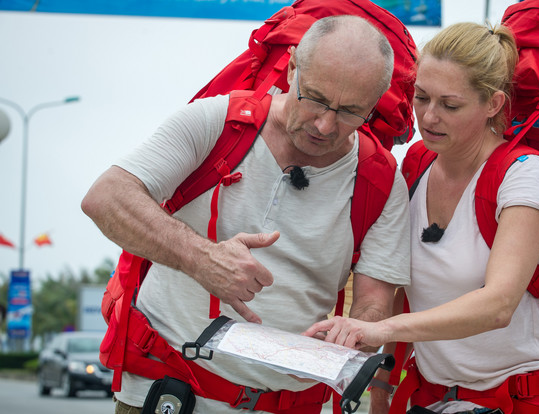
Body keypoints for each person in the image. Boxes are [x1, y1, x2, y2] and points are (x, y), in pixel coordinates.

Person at [81, 15, 411, 414]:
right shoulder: (217, 122)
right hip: (166, 393)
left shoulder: (381, 181)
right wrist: (202, 259)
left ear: (373, 106)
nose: (325, 124)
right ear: (292, 68)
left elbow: (374, 303)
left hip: (290, 403)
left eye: (349, 112)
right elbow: (105, 197)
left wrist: (357, 332)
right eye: (317, 99)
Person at [304, 22, 539, 413]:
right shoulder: (416, 165)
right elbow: (403, 291)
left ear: (492, 104)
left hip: (525, 397)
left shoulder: (524, 176)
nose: (429, 117)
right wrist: (383, 386)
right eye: (421, 97)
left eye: (450, 105)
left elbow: (498, 303)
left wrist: (378, 329)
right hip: (435, 397)